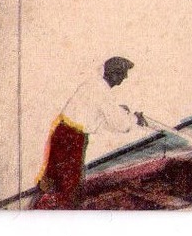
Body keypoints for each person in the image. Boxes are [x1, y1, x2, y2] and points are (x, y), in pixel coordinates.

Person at [36, 57, 144, 209]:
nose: (125, 78)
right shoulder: (103, 93)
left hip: (61, 132)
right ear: (114, 75)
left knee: (52, 178)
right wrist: (135, 119)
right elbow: (121, 125)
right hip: (73, 139)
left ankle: (43, 208)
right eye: (123, 74)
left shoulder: (93, 84)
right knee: (70, 186)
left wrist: (119, 110)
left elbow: (94, 111)